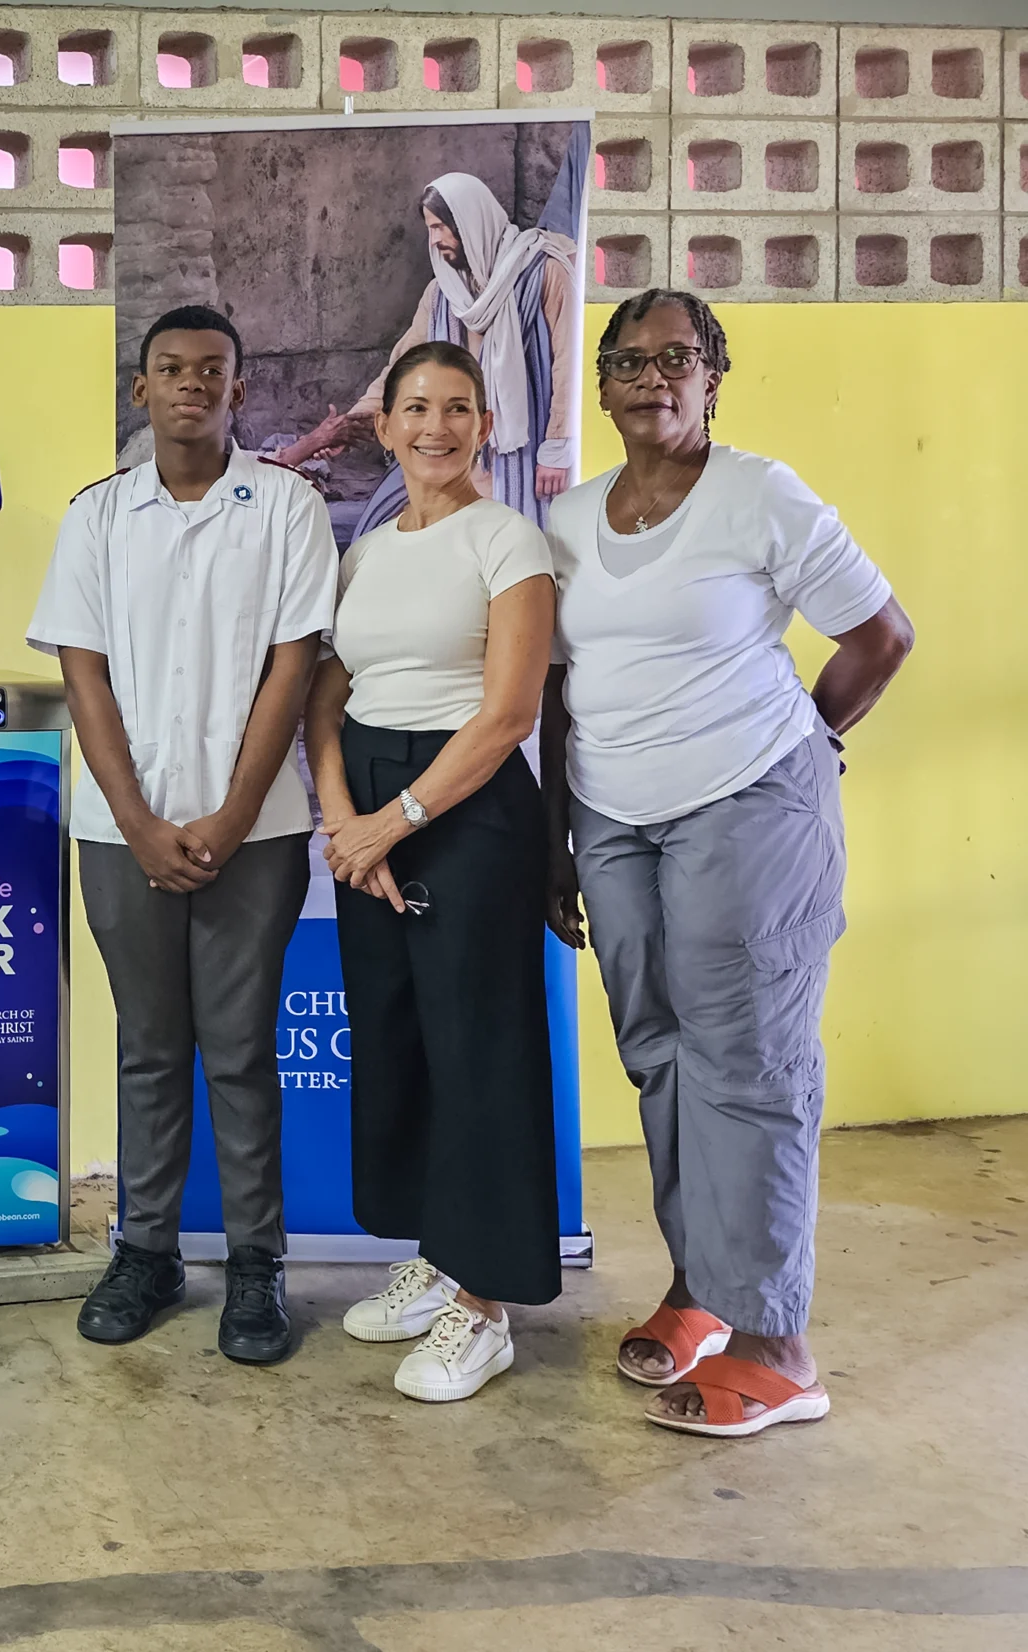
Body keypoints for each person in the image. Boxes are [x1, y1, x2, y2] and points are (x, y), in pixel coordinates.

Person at [544, 289, 915, 1438]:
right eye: (630, 359)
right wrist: (558, 833)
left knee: (747, 1062)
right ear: (600, 384)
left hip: (745, 805)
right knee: (659, 1055)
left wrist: (812, 739)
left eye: (679, 357)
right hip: (612, 817)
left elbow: (880, 634)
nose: (653, 375)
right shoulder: (565, 518)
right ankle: (704, 1286)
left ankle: (777, 1344)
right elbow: (559, 690)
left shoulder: (760, 493)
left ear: (713, 376)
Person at [29, 304, 333, 1364]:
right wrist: (139, 821)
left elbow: (294, 669)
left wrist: (233, 813)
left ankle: (256, 1263)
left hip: (255, 832)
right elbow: (82, 672)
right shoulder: (98, 515)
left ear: (240, 391)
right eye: (170, 369)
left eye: (212, 370)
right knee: (151, 1048)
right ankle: (146, 1249)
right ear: (140, 390)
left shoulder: (288, 507)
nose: (192, 384)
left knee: (242, 1052)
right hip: (122, 833)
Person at [303, 341, 560, 1403]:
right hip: (368, 808)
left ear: (486, 423)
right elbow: (327, 694)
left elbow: (508, 712)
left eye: (457, 408)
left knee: (479, 1050)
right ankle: (437, 1256)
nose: (435, 427)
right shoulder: (365, 553)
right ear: (383, 424)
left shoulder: (508, 541)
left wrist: (393, 820)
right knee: (401, 1038)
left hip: (465, 808)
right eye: (415, 407)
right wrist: (343, 819)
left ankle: (485, 1306)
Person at [341, 173, 578, 535]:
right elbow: (406, 363)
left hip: (524, 453)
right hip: (461, 446)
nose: (434, 240)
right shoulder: (441, 293)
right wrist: (358, 416)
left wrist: (557, 448)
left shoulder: (544, 272)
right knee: (382, 528)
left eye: (441, 228)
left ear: (469, 223)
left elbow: (569, 364)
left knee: (523, 545)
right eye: (430, 229)